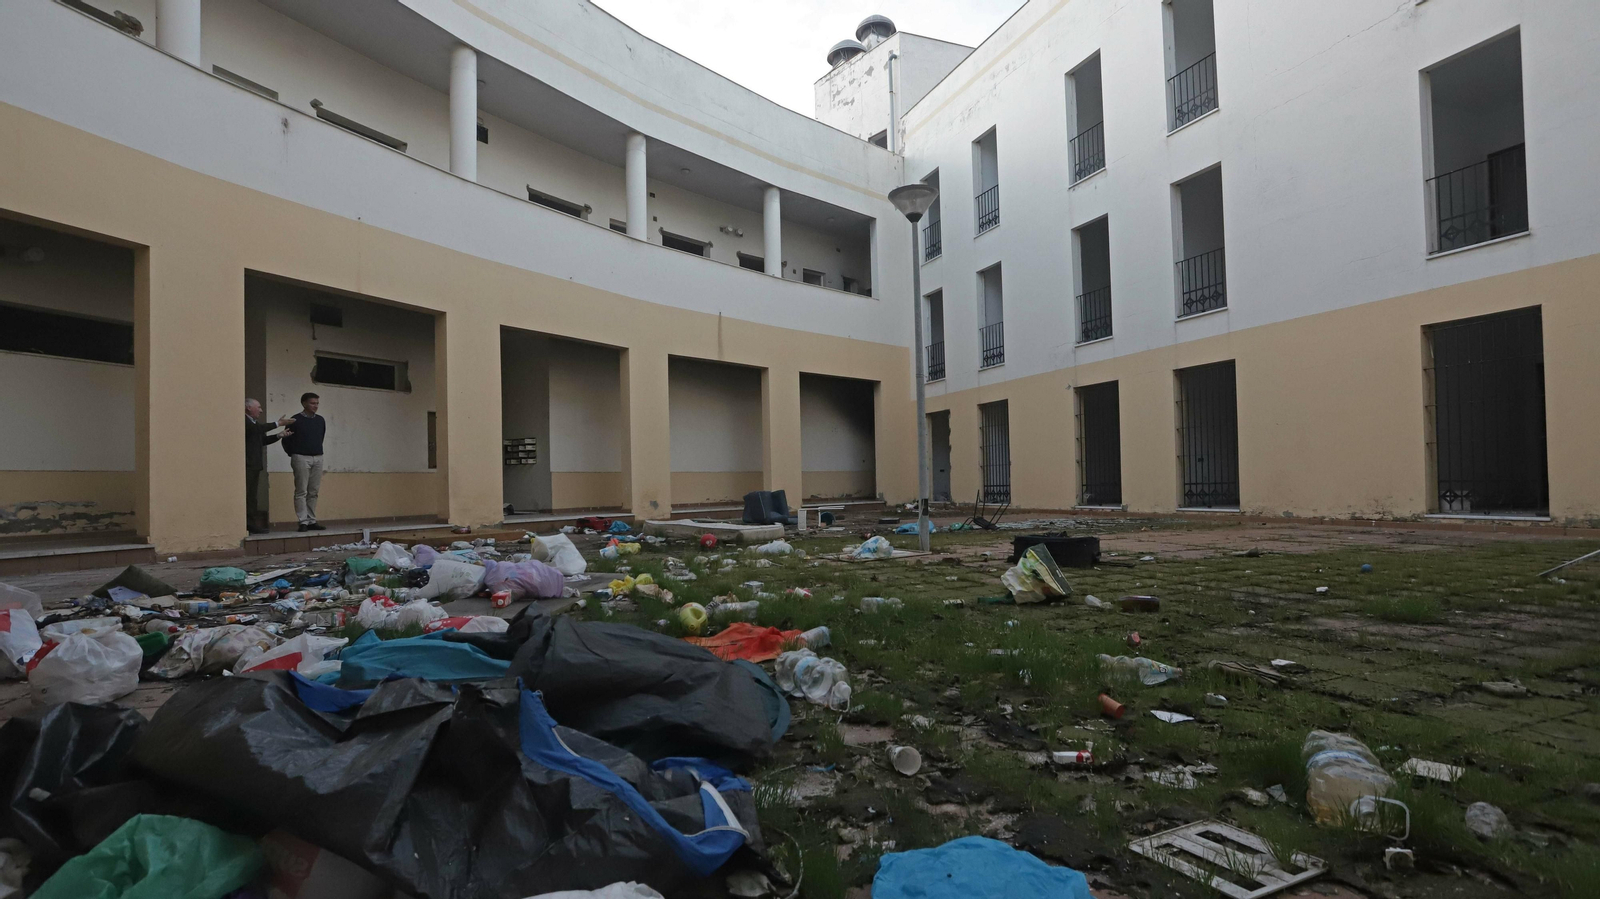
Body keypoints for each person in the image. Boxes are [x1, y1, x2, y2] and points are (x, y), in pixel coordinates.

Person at [281, 392, 327, 532]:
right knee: (301, 490)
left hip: (317, 456)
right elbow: (286, 439)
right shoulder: (295, 420)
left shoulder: (320, 420)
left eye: (317, 403)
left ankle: (312, 520)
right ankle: (303, 521)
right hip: (300, 457)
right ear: (304, 403)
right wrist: (294, 453)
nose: (315, 406)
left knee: (313, 490)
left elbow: (321, 437)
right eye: (312, 403)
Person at [245, 399, 292, 534]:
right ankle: (248, 524)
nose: (261, 410)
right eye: (258, 407)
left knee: (252, 497)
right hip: (248, 464)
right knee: (248, 496)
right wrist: (278, 423)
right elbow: (256, 430)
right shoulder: (245, 421)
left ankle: (251, 524)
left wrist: (279, 435)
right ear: (248, 408)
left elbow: (262, 440)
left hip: (254, 464)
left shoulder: (253, 423)